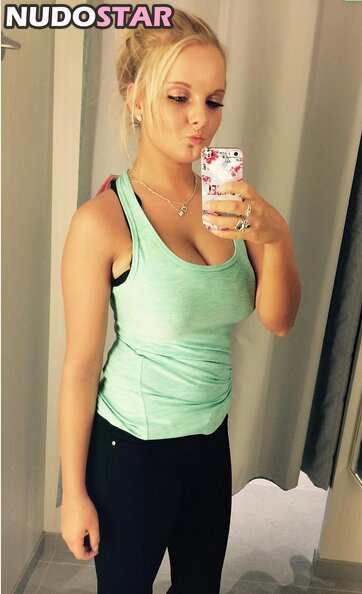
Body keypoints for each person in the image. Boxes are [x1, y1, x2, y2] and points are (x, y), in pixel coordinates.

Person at [59, 8, 301, 594]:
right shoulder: (102, 221)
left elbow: (279, 320)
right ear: (137, 98)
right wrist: (74, 493)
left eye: (214, 101)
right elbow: (81, 366)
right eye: (179, 97)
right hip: (131, 448)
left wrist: (277, 236)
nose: (201, 118)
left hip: (210, 440)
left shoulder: (233, 205)